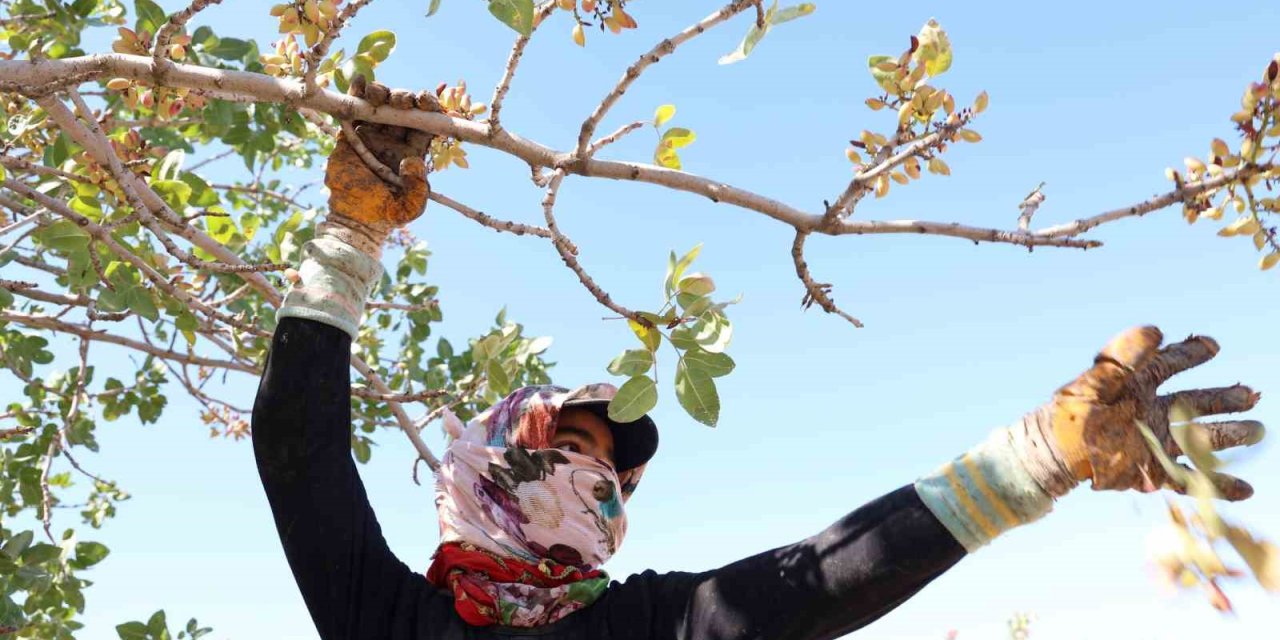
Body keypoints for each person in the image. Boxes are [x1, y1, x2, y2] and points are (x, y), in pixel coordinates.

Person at [251, 80, 1266, 640]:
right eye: (569, 442)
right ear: (487, 458)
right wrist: (350, 234)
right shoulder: (388, 618)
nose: (593, 479)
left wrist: (1036, 459)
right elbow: (297, 451)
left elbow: (821, 581)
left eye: (611, 472)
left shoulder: (647, 625)